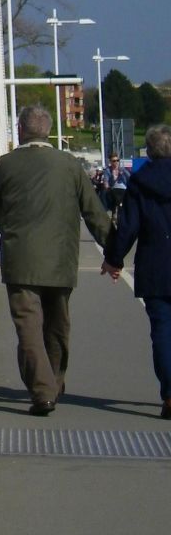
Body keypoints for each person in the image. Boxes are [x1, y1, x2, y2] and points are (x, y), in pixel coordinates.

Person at [0, 104, 110, 415]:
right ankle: (54, 380)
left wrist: (9, 230)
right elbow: (93, 211)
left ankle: (43, 391)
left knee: (28, 326)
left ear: (21, 130)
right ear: (49, 131)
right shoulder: (69, 165)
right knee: (57, 324)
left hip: (20, 258)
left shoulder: (6, 165)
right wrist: (114, 252)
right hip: (61, 258)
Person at [101, 125, 171, 419]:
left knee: (163, 331)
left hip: (155, 267)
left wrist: (114, 260)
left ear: (150, 152)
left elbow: (128, 227)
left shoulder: (140, 184)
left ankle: (170, 393)